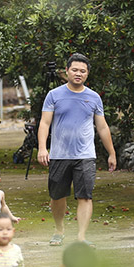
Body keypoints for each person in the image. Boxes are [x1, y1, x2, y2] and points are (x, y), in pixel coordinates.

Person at [37, 53, 116, 247]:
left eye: (82, 71)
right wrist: (42, 148)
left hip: (85, 156)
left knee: (85, 196)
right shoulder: (54, 95)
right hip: (59, 154)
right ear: (67, 71)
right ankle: (59, 230)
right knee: (57, 196)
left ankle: (81, 236)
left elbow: (103, 127)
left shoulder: (94, 97)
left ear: (87, 74)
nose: (78, 74)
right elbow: (45, 123)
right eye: (75, 70)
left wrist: (111, 153)